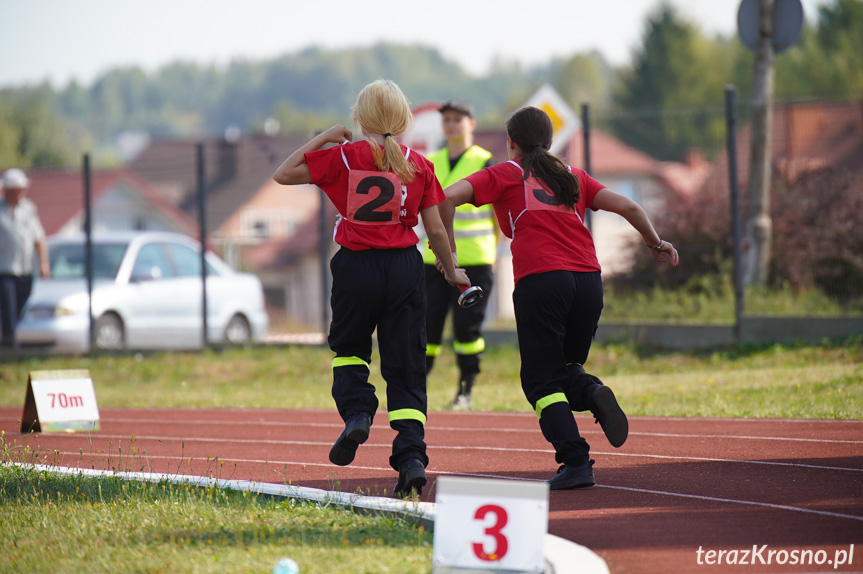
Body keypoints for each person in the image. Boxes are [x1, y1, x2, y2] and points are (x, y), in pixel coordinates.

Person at [439, 107, 679, 490]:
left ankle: (576, 460)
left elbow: (445, 199)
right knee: (565, 368)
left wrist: (449, 256)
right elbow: (631, 206)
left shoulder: (505, 173)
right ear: (551, 143)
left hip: (542, 282)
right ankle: (589, 391)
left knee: (540, 380)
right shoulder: (573, 177)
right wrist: (657, 243)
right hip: (588, 282)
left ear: (510, 143)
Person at [272, 79, 470, 498]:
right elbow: (434, 227)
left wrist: (324, 135)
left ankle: (358, 413)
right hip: (404, 269)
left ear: (359, 118)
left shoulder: (343, 156)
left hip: (355, 268)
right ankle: (412, 457)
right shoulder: (418, 163)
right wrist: (451, 269)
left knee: (349, 350)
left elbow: (283, 173)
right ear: (403, 119)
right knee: (406, 365)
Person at [421, 98, 497, 410]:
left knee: (467, 330)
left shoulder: (485, 162)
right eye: (446, 119)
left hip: (475, 258)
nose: (451, 124)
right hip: (434, 261)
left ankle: (465, 391)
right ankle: (416, 389)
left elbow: (497, 215)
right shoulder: (431, 160)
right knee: (427, 327)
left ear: (471, 124)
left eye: (457, 119)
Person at [0, 168, 50, 350]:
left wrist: (43, 263)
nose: (21, 193)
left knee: (18, 308)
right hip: (4, 271)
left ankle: (8, 339)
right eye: (17, 189)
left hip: (25, 271)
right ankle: (10, 346)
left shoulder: (28, 210)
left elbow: (39, 238)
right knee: (8, 308)